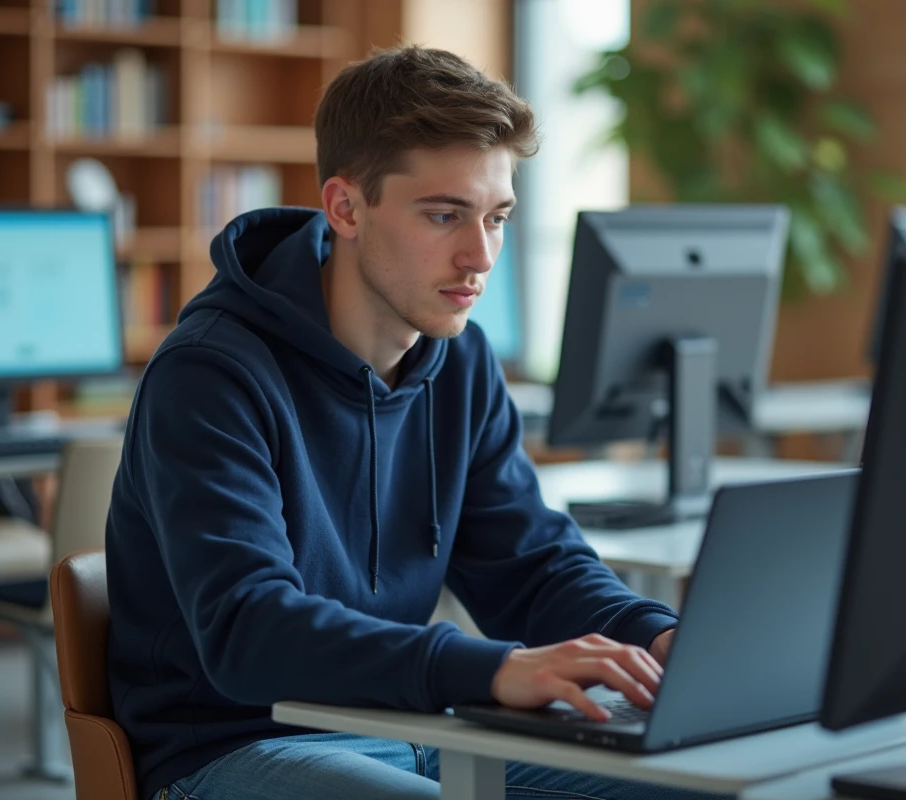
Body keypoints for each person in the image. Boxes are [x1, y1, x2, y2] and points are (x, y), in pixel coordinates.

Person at [106, 45, 715, 800]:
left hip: (416, 725)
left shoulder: (458, 359)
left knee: (709, 784)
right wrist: (489, 668)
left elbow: (529, 566)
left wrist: (657, 636)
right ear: (345, 207)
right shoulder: (209, 374)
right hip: (233, 745)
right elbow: (249, 629)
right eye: (444, 215)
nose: (480, 255)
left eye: (497, 217)